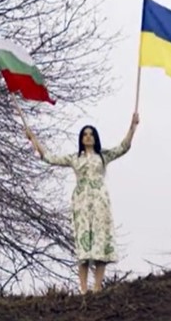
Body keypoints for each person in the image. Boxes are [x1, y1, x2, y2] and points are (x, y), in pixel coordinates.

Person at [25, 112, 140, 294]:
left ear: (95, 138)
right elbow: (48, 157)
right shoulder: (74, 158)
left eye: (91, 134)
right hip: (81, 202)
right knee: (83, 245)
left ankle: (97, 287)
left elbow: (123, 147)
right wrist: (33, 139)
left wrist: (133, 127)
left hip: (99, 201)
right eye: (85, 134)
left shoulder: (103, 156)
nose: (88, 137)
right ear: (81, 138)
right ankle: (84, 289)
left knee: (100, 242)